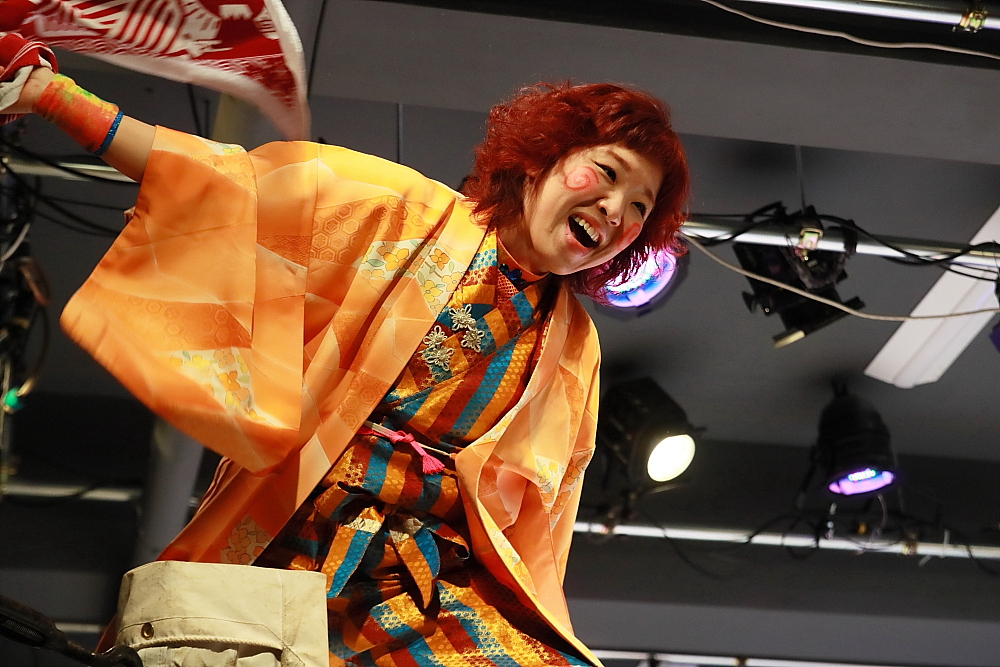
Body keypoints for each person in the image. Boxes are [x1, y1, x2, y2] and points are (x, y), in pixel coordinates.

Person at [5, 34, 689, 667]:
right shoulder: (400, 212)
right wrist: (54, 97)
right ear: (542, 157)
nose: (616, 209)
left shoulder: (574, 348)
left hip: (424, 592)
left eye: (640, 206)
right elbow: (224, 186)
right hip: (292, 543)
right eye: (606, 173)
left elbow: (540, 534)